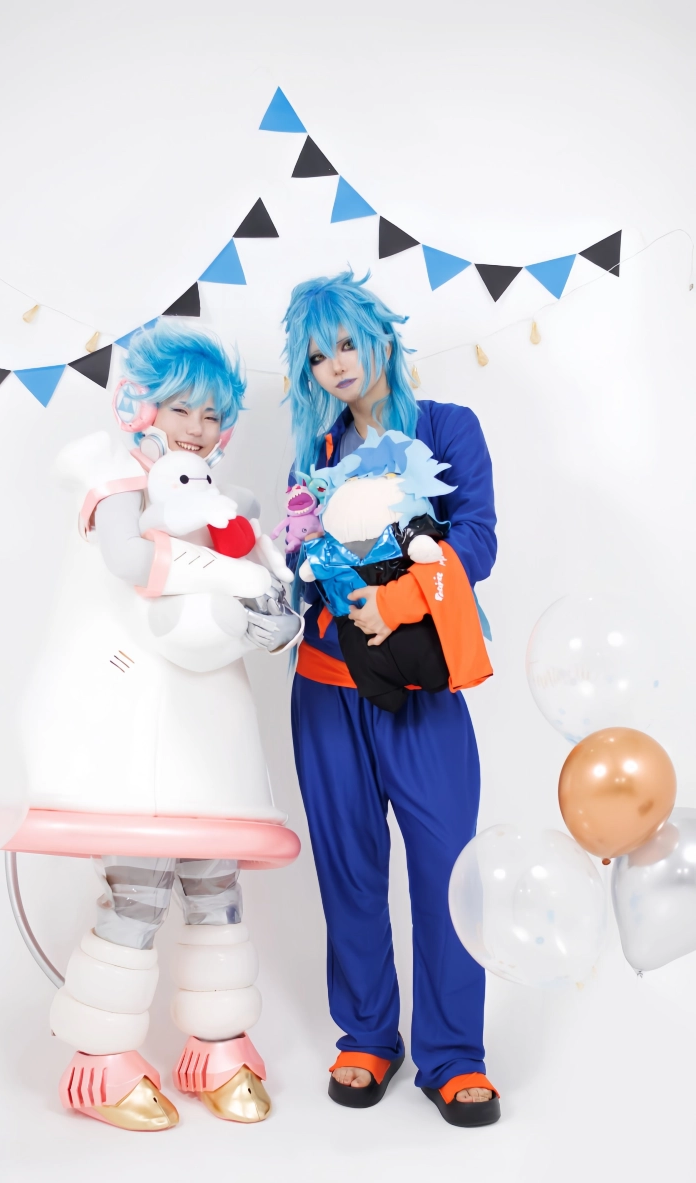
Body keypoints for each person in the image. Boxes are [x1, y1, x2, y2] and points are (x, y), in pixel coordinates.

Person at [21, 321, 301, 1131]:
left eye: (213, 415)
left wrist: (271, 612)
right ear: (142, 408)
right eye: (183, 409)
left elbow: (270, 598)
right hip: (133, 714)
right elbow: (129, 561)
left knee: (216, 886)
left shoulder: (230, 506)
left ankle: (218, 1046)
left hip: (211, 721)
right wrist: (235, 578)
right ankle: (101, 1062)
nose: (198, 428)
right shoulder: (117, 483)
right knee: (138, 891)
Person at [283, 271, 501, 1125]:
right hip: (324, 690)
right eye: (317, 357)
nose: (336, 365)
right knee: (349, 870)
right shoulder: (315, 454)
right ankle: (369, 1034)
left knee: (448, 869)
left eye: (345, 343)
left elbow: (477, 540)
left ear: (380, 337)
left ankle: (453, 1054)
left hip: (422, 687)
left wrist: (400, 600)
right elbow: (303, 561)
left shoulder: (448, 427)